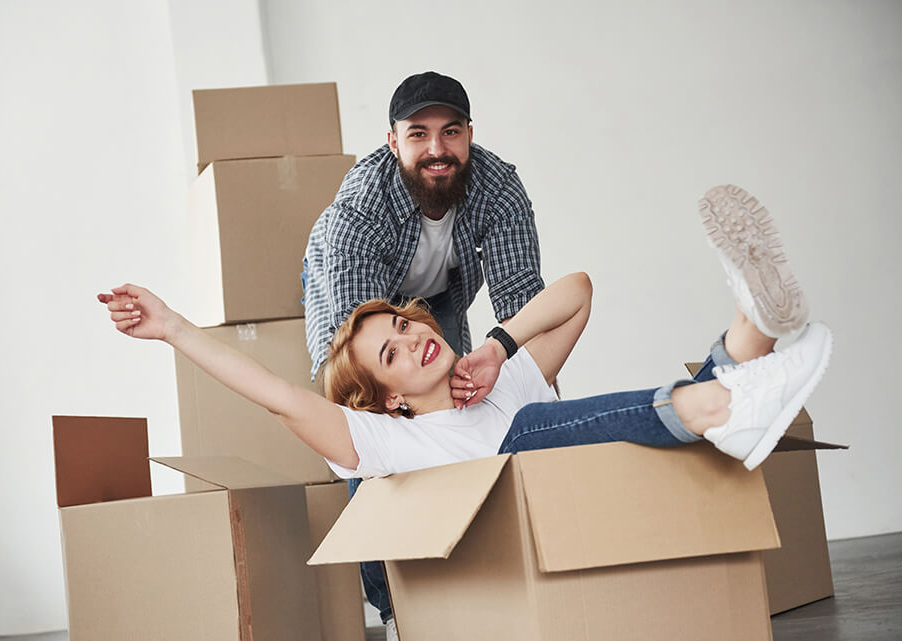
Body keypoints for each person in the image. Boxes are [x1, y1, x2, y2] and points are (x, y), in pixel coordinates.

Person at [99, 185, 828, 640]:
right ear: (386, 398)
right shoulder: (382, 442)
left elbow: (577, 290)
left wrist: (498, 344)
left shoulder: (500, 381)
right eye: (390, 353)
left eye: (408, 325)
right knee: (530, 435)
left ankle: (751, 329)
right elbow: (279, 397)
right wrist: (172, 326)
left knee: (535, 419)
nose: (414, 339)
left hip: (603, 512)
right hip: (513, 574)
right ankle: (723, 393)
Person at [301, 71, 545, 631]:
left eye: (450, 132)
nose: (437, 149)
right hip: (356, 310)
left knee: (470, 404)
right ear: (394, 141)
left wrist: (510, 367)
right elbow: (364, 349)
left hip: (438, 298)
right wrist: (397, 402)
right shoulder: (360, 210)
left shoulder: (498, 187)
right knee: (375, 443)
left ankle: (489, 566)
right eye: (418, 134)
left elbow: (522, 307)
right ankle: (394, 607)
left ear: (469, 134)